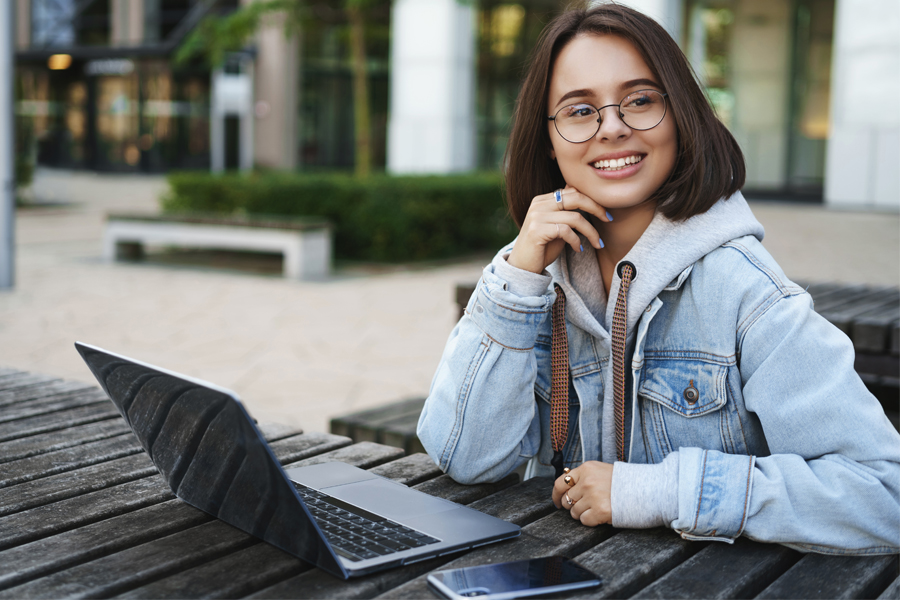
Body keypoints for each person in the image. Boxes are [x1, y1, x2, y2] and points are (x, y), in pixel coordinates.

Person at [417, 3, 900, 554]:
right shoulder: (533, 280)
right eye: (580, 111)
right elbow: (466, 459)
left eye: (641, 100)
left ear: (681, 115)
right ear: (549, 141)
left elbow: (884, 494)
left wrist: (658, 491)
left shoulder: (745, 292)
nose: (614, 128)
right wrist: (516, 276)